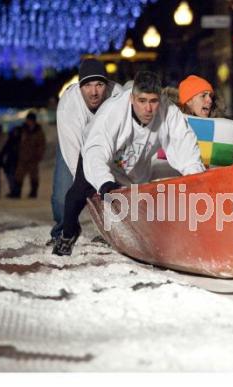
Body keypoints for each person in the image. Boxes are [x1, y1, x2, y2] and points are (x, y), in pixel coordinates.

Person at [52, 71, 205, 256]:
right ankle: (68, 234)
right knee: (75, 195)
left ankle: (120, 235)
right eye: (142, 101)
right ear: (132, 98)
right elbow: (97, 151)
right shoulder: (112, 110)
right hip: (100, 160)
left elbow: (185, 146)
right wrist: (104, 182)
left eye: (153, 101)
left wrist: (198, 180)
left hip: (135, 167)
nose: (148, 109)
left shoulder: (169, 112)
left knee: (138, 207)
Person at [48, 58, 126, 245]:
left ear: (106, 85)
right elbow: (72, 152)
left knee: (117, 190)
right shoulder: (68, 105)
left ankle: (115, 233)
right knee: (63, 196)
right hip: (76, 146)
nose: (94, 92)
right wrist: (82, 189)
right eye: (88, 86)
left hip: (110, 149)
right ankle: (64, 230)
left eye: (99, 85)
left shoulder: (119, 97)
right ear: (80, 86)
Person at [12, 112, 46, 198]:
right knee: (19, 175)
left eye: (30, 120)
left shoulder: (38, 131)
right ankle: (16, 192)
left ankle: (33, 193)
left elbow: (41, 144)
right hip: (22, 157)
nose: (29, 122)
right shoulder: (22, 130)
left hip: (33, 158)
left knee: (34, 176)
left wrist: (39, 155)